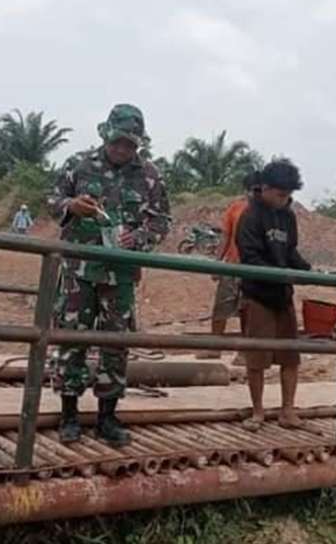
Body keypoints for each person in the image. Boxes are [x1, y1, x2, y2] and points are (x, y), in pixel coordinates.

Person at [47, 103, 171, 447]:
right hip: (79, 271)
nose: (122, 150)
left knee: (116, 344)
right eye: (117, 142)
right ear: (106, 136)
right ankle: (69, 414)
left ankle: (107, 416)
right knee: (72, 338)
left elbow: (162, 220)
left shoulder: (149, 176)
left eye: (130, 144)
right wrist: (70, 206)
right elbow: (51, 199)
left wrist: (140, 237)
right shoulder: (79, 164)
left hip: (121, 273)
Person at [235, 159, 311, 432]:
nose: (285, 200)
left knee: (290, 356)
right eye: (280, 194)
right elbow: (250, 257)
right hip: (258, 295)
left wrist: (306, 269)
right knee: (256, 359)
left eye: (289, 195)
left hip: (283, 295)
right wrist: (279, 274)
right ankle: (258, 412)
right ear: (264, 188)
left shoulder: (288, 216)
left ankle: (287, 411)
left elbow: (290, 251)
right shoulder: (250, 216)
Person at [198, 171, 261, 361]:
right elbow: (226, 236)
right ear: (246, 191)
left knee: (247, 311)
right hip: (232, 265)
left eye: (259, 191)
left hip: (253, 268)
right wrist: (218, 263)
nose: (256, 195)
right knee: (220, 308)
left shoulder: (266, 213)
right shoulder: (235, 208)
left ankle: (244, 351)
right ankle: (215, 347)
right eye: (253, 190)